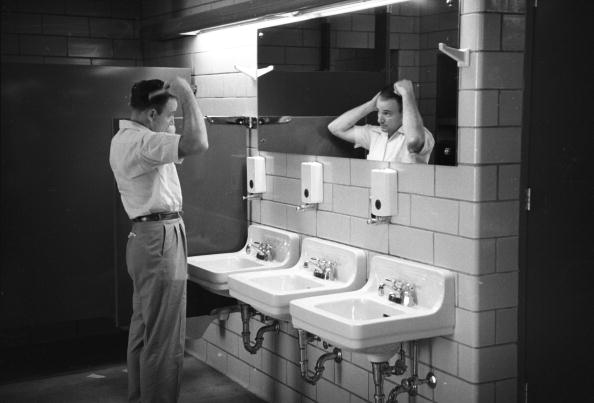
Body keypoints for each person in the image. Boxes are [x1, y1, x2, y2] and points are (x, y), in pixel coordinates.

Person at [109, 77, 208, 403]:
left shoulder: (127, 138)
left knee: (145, 331)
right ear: (152, 115)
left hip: (146, 237)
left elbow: (180, 141)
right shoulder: (143, 143)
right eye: (170, 117)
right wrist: (185, 95)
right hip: (159, 239)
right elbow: (198, 143)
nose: (172, 124)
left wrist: (180, 97)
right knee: (164, 340)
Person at [328, 79, 434, 163]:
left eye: (387, 113)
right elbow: (335, 128)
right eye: (378, 111)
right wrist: (370, 105)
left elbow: (414, 141)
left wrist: (407, 94)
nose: (379, 119)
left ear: (404, 114)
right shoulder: (374, 135)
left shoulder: (423, 135)